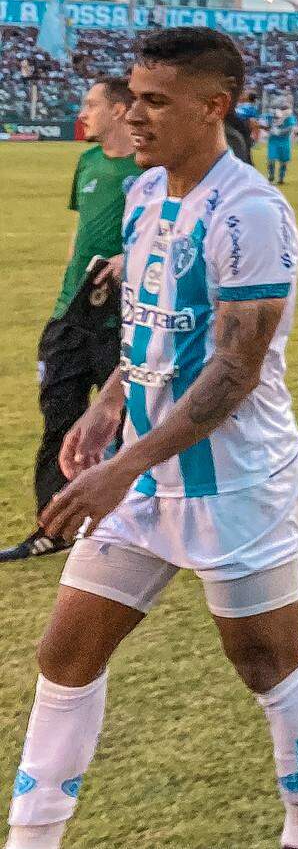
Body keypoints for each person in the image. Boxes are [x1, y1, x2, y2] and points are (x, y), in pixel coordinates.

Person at [5, 29, 298, 849]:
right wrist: (109, 402)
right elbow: (153, 331)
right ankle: (31, 837)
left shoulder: (251, 209)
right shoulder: (148, 193)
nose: (133, 113)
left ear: (214, 105)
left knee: (266, 662)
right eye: (132, 95)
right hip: (147, 482)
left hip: (236, 484)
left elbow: (233, 371)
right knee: (66, 654)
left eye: (155, 100)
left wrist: (122, 466)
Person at [1, 80, 144, 566]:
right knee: (57, 420)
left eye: (92, 104)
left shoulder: (147, 170)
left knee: (125, 426)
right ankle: (52, 528)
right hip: (70, 315)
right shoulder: (87, 162)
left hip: (119, 317)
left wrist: (130, 258)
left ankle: (127, 525)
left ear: (120, 110)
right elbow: (79, 235)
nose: (84, 112)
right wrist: (65, 299)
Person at [264, 104, 297, 186]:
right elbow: (267, 125)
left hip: (284, 141)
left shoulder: (290, 118)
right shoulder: (271, 116)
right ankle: (271, 177)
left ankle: (281, 179)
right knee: (271, 159)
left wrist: (279, 132)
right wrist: (270, 128)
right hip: (273, 141)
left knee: (284, 161)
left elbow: (290, 129)